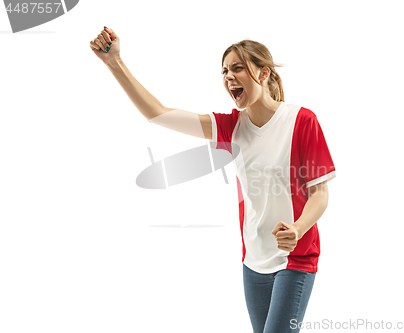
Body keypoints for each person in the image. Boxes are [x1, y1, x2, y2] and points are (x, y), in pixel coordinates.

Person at [90, 27, 336, 333]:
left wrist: (298, 228)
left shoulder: (302, 121)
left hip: (295, 258)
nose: (228, 77)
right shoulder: (231, 127)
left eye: (237, 68)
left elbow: (320, 194)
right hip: (253, 261)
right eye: (224, 71)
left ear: (263, 74)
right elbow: (158, 114)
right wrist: (115, 63)